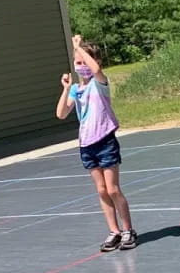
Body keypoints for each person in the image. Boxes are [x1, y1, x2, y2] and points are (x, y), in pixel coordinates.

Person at [56, 35, 137, 252]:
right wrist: (65, 89)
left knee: (112, 189)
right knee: (101, 190)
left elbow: (93, 68)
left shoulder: (99, 84)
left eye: (84, 61)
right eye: (77, 62)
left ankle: (128, 229)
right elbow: (61, 113)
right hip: (87, 145)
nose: (81, 66)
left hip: (105, 141)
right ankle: (114, 231)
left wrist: (78, 48)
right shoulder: (77, 90)